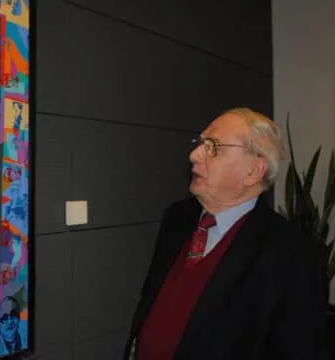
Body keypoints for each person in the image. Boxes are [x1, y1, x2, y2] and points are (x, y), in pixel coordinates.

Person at [124, 108, 328, 360]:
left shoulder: (291, 254)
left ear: (254, 171)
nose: (194, 155)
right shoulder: (177, 218)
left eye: (214, 146)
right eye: (201, 143)